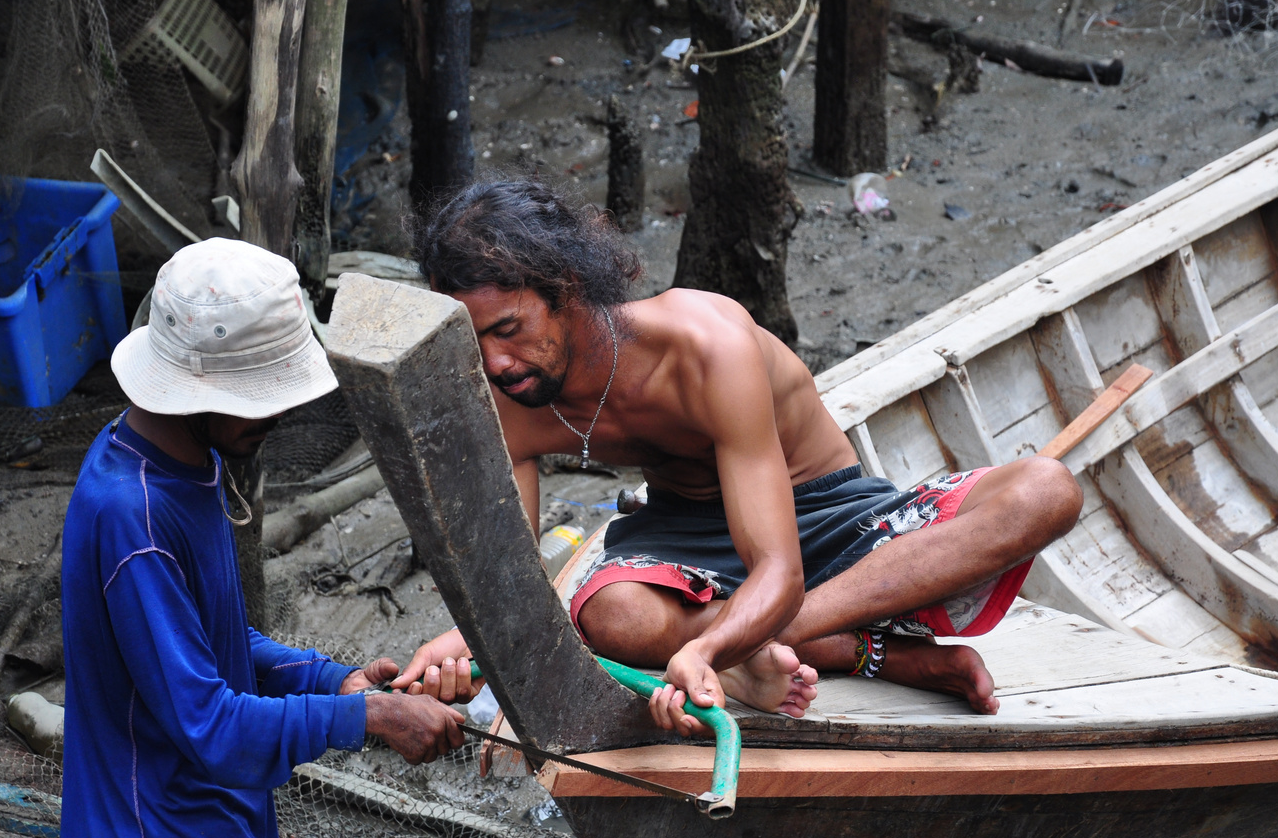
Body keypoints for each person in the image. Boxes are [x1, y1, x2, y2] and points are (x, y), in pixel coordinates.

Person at [391, 180, 1083, 735]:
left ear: (568, 289)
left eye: (509, 330)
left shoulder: (703, 344)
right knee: (611, 615)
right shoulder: (509, 393)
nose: (494, 362)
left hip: (828, 520)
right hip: (686, 532)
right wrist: (462, 642)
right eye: (473, 340)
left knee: (1046, 491)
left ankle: (777, 642)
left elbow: (777, 571)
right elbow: (514, 578)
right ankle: (871, 653)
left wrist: (707, 651)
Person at [54, 238, 464, 838]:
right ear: (200, 385)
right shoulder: (132, 516)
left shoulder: (175, 462)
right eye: (263, 394)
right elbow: (210, 725)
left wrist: (330, 680)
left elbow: (210, 636)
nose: (278, 413)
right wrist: (371, 718)